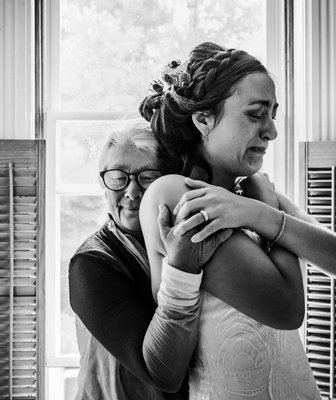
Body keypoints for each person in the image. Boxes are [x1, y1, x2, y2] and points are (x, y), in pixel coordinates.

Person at [68, 118, 304, 400]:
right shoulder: (90, 264)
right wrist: (182, 269)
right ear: (103, 183)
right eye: (118, 177)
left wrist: (263, 214)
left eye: (147, 177)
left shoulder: (204, 228)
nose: (131, 192)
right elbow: (161, 375)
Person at [139, 42, 325, 398]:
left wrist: (258, 212)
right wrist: (263, 211)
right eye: (256, 114)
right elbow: (286, 309)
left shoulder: (256, 195)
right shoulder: (176, 195)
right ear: (203, 119)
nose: (271, 131)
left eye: (273, 114)